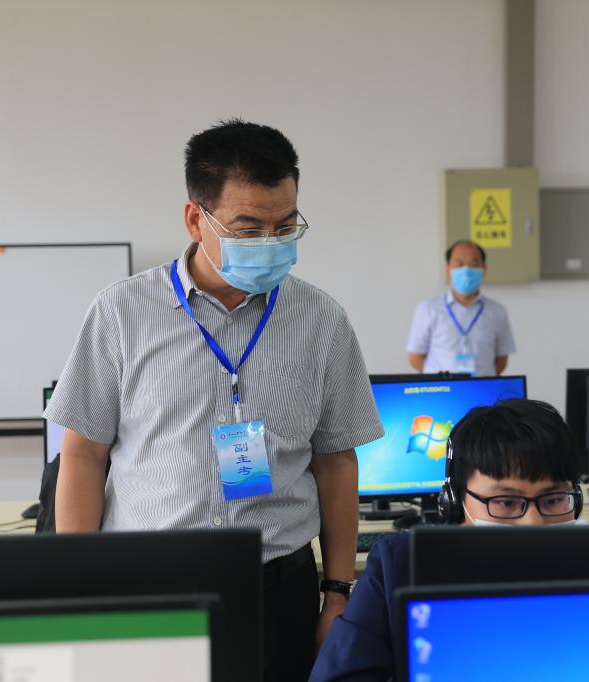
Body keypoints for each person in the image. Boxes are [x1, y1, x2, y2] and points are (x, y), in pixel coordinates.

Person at [45, 119, 384, 681]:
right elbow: (83, 454)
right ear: (194, 218)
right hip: (149, 582)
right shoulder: (121, 313)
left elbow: (336, 460)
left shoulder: (321, 319)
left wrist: (337, 593)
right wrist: (82, 587)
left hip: (278, 584)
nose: (270, 244)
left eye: (285, 227)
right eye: (248, 229)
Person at [310, 399, 583, 682]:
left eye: (553, 500)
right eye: (506, 502)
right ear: (453, 501)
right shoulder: (400, 565)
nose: (533, 523)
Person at [406, 240, 516, 377]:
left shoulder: (497, 311)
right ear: (448, 269)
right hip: (442, 388)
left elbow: (502, 359)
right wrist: (440, 381)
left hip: (482, 387)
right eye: (459, 264)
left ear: (484, 268)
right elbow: (415, 357)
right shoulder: (428, 309)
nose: (466, 270)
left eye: (474, 264)